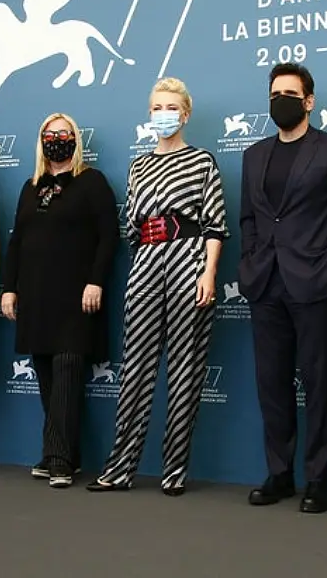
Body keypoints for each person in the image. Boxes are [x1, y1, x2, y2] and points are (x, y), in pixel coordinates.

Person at [87, 77, 230, 496]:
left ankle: (174, 473)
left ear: (184, 114)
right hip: (146, 263)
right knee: (135, 369)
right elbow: (131, 226)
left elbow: (215, 225)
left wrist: (209, 272)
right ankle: (119, 469)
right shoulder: (138, 165)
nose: (162, 114)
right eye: (155, 107)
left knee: (186, 370)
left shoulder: (202, 161)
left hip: (190, 261)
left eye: (170, 107)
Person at [239, 63, 327, 514]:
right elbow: (249, 220)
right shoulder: (253, 155)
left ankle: (318, 479)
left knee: (317, 383)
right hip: (265, 283)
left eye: (290, 94)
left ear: (309, 101)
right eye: (275, 94)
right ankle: (279, 473)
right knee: (270, 384)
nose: (282, 101)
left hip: (315, 282)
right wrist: (252, 260)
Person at [1, 112, 120, 488]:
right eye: (49, 134)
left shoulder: (91, 182)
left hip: (76, 296)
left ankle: (58, 457)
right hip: (36, 296)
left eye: (64, 133)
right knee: (48, 378)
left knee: (69, 371)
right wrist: (9, 287)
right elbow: (17, 241)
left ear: (75, 139)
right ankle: (64, 452)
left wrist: (95, 281)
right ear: (41, 140)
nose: (56, 139)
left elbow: (108, 237)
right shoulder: (30, 187)